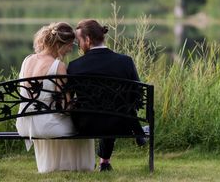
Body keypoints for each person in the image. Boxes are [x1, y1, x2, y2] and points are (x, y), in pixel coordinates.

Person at [67, 19, 145, 172]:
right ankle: (104, 162)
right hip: (120, 125)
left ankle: (96, 162)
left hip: (85, 125)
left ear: (88, 40)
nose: (79, 45)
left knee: (100, 111)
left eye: (79, 41)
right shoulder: (125, 62)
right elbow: (137, 94)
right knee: (114, 110)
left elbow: (68, 98)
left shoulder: (75, 66)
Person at [16, 22, 95, 173]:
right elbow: (66, 108)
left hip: (25, 123)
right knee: (83, 126)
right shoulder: (58, 66)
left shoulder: (27, 60)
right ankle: (78, 166)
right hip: (46, 126)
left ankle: (56, 166)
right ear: (60, 44)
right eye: (70, 45)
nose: (71, 49)